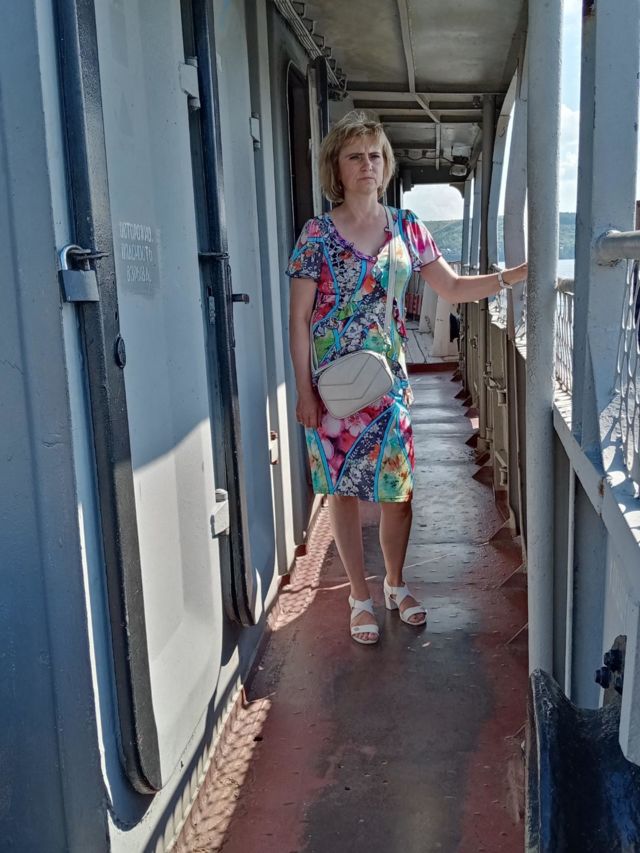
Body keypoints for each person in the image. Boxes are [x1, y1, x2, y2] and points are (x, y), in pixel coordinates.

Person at [287, 111, 527, 645]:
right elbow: (299, 319)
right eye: (355, 156)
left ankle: (395, 584)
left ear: (386, 164)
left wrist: (511, 277)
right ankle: (359, 596)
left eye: (374, 155)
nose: (367, 165)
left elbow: (453, 288)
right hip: (332, 391)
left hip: (388, 386)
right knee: (342, 494)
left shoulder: (406, 226)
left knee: (398, 494)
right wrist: (304, 392)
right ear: (336, 168)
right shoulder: (316, 235)